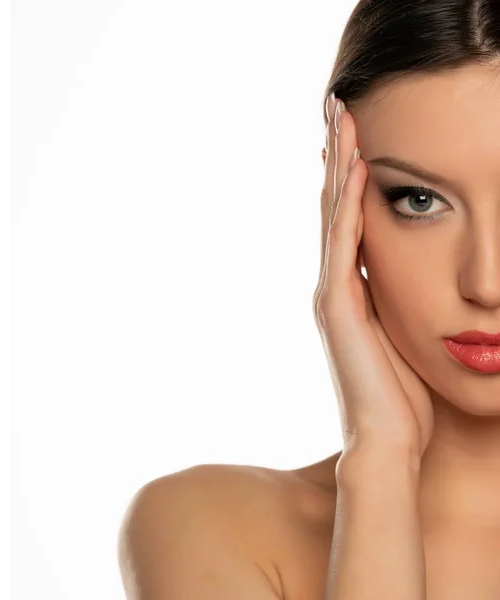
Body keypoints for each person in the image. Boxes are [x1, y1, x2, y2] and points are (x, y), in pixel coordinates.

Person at [117, 1, 500, 598]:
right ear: (339, 205)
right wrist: (381, 460)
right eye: (419, 200)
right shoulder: (209, 528)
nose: (486, 282)